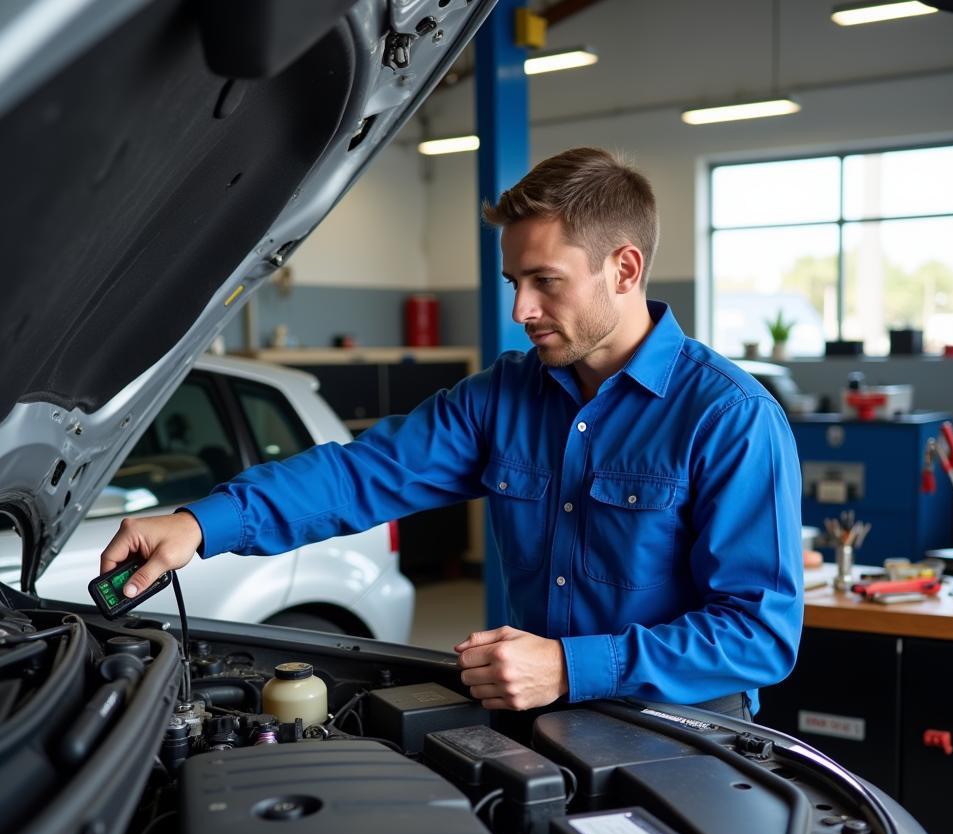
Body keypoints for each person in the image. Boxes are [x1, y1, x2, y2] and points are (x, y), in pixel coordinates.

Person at [101, 147, 803, 720]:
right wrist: (198, 524)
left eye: (544, 281)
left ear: (623, 268)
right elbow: (358, 474)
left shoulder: (729, 418)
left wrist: (570, 666)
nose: (520, 309)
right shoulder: (504, 397)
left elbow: (758, 635)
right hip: (539, 714)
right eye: (512, 282)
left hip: (684, 736)